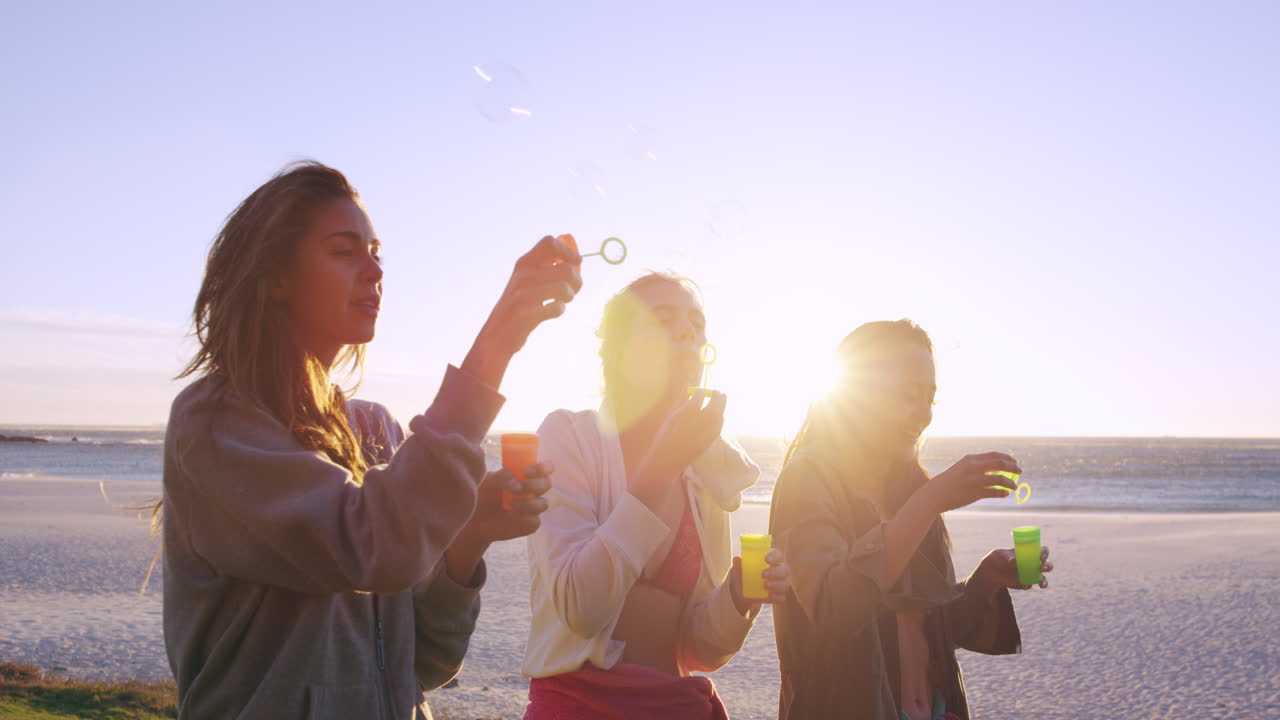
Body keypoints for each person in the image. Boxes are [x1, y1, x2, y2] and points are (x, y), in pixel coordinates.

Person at [160, 161, 581, 719]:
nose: (374, 270)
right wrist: (497, 343)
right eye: (344, 251)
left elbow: (421, 666)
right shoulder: (214, 422)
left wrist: (470, 533)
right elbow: (368, 546)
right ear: (275, 276)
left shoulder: (375, 430)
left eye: (376, 251)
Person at [521, 272, 790, 720]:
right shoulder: (569, 436)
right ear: (619, 350)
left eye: (696, 324)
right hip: (578, 705)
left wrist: (739, 596)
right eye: (664, 320)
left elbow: (699, 649)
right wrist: (660, 471)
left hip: (676, 705)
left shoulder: (705, 465)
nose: (687, 332)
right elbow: (580, 610)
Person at [769, 319, 1055, 720]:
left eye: (929, 398)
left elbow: (930, 631)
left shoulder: (908, 488)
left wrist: (985, 581)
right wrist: (929, 501)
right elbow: (833, 610)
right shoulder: (810, 479)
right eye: (907, 395)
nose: (923, 415)